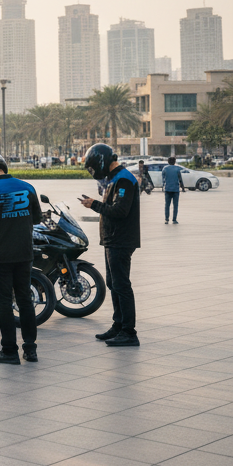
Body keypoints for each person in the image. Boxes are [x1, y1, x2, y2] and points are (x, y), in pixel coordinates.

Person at [0, 152, 42, 364]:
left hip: (0, 256)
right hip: (24, 255)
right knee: (25, 301)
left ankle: (9, 351)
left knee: (4, 304)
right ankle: (30, 350)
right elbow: (37, 218)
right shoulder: (28, 187)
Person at [80, 143, 141, 347]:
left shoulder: (123, 180)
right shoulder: (114, 179)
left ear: (102, 162)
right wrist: (96, 203)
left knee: (122, 285)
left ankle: (129, 332)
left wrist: (94, 205)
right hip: (112, 240)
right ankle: (118, 325)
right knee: (113, 284)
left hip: (121, 241)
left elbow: (120, 211)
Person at [162, 156, 186, 224]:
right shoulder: (177, 169)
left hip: (167, 189)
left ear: (168, 162)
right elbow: (180, 179)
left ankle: (166, 219)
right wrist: (183, 188)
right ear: (175, 162)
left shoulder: (165, 169)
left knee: (167, 205)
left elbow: (163, 179)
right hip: (175, 189)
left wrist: (163, 186)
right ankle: (174, 219)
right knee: (175, 205)